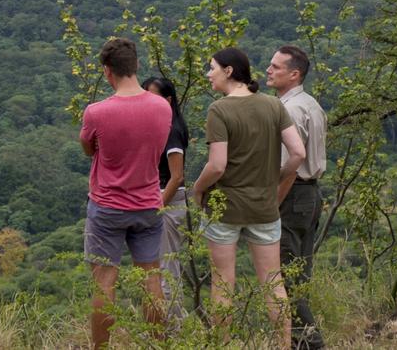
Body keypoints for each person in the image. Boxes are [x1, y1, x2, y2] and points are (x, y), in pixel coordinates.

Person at [191, 46, 306, 350]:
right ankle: (283, 345)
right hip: (264, 206)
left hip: (225, 207)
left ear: (229, 71)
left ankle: (223, 344)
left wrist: (197, 189)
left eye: (212, 67)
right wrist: (276, 178)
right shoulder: (272, 105)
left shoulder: (220, 109)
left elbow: (217, 165)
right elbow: (298, 153)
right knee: (273, 281)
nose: (208, 73)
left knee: (223, 283)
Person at [79, 37, 174, 348]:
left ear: (108, 71)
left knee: (104, 284)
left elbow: (88, 148)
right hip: (149, 203)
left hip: (107, 205)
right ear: (135, 67)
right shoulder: (162, 107)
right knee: (152, 280)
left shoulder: (96, 112)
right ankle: (157, 344)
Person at [266, 44, 329, 349]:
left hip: (292, 192)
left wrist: (272, 203)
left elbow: (289, 164)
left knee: (286, 279)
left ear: (294, 74)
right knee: (299, 274)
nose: (268, 70)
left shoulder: (288, 109)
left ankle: (311, 344)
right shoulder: (311, 104)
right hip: (311, 193)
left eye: (276, 67)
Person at [141, 75, 190, 320]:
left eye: (152, 96)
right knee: (161, 269)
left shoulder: (171, 130)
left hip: (168, 202)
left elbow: (177, 176)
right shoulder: (164, 125)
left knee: (166, 271)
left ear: (168, 100)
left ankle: (173, 331)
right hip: (163, 201)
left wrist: (157, 208)